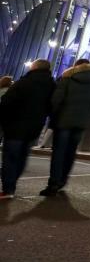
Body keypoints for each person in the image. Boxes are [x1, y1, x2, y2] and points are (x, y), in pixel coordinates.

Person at [41, 59, 90, 196]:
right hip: (81, 122)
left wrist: (54, 114)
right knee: (71, 152)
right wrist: (89, 112)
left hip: (63, 121)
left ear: (76, 66)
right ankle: (63, 180)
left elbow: (56, 99)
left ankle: (53, 182)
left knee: (59, 152)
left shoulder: (67, 78)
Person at [0, 60, 55, 199]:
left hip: (15, 125)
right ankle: (11, 184)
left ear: (34, 67)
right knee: (22, 156)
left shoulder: (23, 82)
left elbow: (7, 102)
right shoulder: (52, 86)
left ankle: (8, 188)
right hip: (35, 126)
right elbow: (52, 106)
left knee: (10, 157)